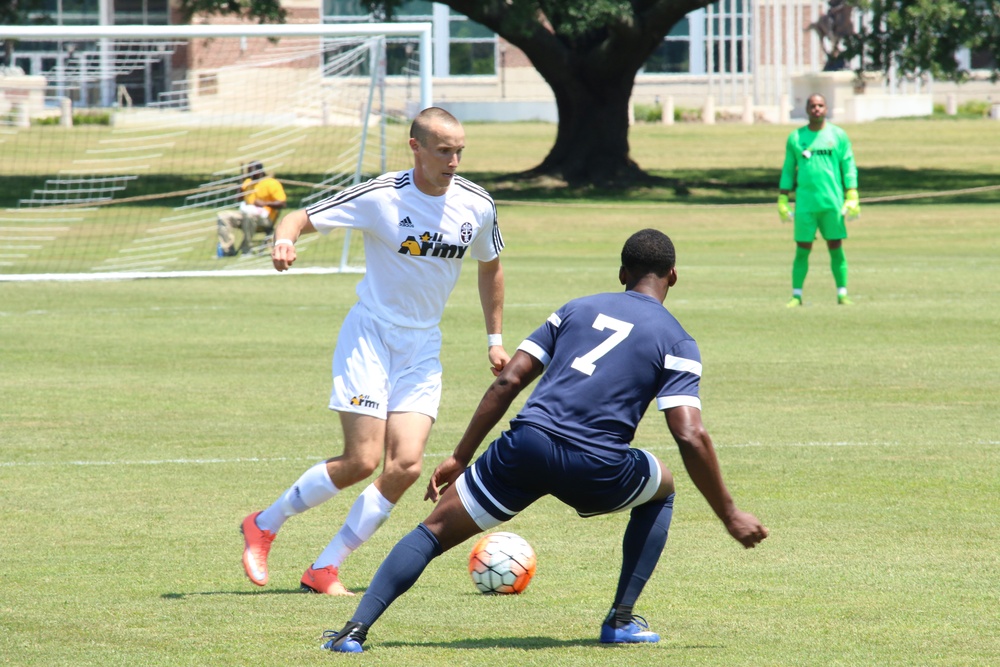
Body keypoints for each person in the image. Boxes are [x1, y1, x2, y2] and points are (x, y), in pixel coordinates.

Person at [321, 228, 769, 653]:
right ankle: (620, 620)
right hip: (597, 465)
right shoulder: (678, 340)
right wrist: (728, 514)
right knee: (662, 488)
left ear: (621, 274)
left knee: (433, 531)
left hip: (528, 445)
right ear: (673, 276)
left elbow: (508, 381)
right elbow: (689, 433)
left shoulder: (576, 309)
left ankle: (353, 631)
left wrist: (460, 456)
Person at [240, 107, 508, 597]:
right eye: (444, 151)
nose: (453, 161)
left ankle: (324, 568)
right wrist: (283, 240)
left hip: (423, 345)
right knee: (362, 460)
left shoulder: (477, 203)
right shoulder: (383, 195)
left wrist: (494, 339)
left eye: (460, 151)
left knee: (405, 466)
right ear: (416, 148)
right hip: (371, 336)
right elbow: (300, 216)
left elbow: (490, 265)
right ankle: (264, 523)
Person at [777, 93, 860, 307]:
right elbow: (788, 169)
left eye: (820, 105)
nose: (817, 109)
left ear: (826, 108)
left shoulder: (838, 136)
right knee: (802, 248)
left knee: (836, 246)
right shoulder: (796, 137)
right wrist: (783, 198)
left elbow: (848, 165)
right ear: (806, 109)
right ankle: (796, 295)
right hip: (805, 203)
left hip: (832, 201)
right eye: (813, 105)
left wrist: (852, 193)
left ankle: (842, 293)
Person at [216, 161, 287, 257]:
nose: (249, 174)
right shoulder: (248, 182)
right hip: (246, 215)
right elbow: (238, 198)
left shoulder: (271, 183)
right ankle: (228, 250)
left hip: (266, 219)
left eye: (251, 171)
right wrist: (240, 185)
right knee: (223, 216)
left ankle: (247, 250)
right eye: (248, 172)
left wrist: (264, 203)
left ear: (259, 171)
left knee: (249, 216)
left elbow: (282, 203)